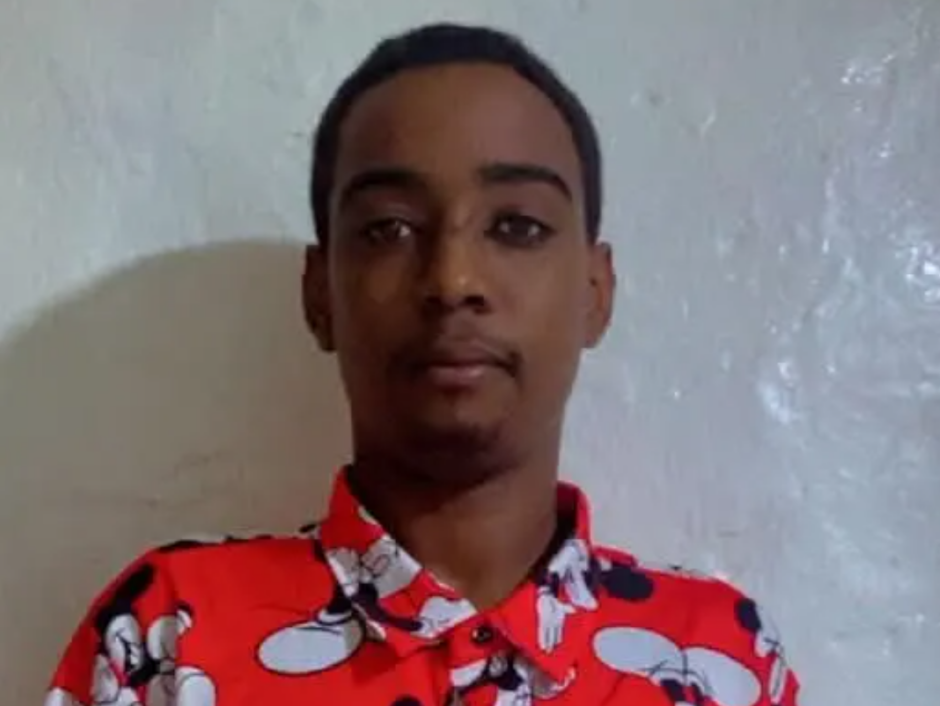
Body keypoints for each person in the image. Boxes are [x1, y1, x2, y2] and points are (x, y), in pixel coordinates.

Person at [44, 23, 800, 706]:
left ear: (595, 293)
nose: (452, 279)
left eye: (517, 225)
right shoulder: (171, 636)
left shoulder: (717, 661)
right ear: (320, 296)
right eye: (389, 229)